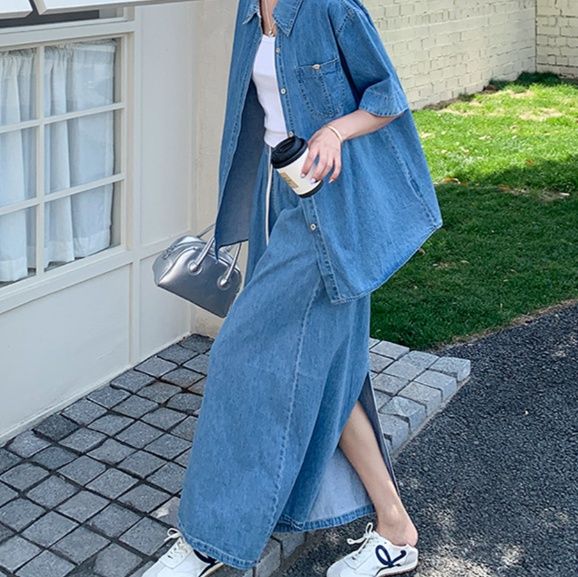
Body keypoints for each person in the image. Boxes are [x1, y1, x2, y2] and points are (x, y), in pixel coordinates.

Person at [145, 0, 443, 575]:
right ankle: (396, 530)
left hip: (333, 207)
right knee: (331, 373)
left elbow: (386, 94)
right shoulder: (247, 10)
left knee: (240, 354)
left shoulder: (331, 7)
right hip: (284, 199)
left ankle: (209, 539)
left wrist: (333, 131)